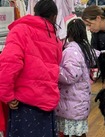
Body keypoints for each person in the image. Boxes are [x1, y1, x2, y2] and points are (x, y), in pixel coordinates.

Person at [0, 0, 62, 137]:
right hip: (47, 101)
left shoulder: (21, 30)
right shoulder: (54, 38)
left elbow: (8, 63)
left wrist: (6, 95)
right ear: (54, 17)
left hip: (24, 103)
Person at [55, 18, 99, 137]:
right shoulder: (85, 49)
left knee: (72, 133)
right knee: (79, 132)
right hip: (80, 98)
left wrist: (54, 68)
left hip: (71, 101)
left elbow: (70, 76)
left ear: (69, 32)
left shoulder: (71, 51)